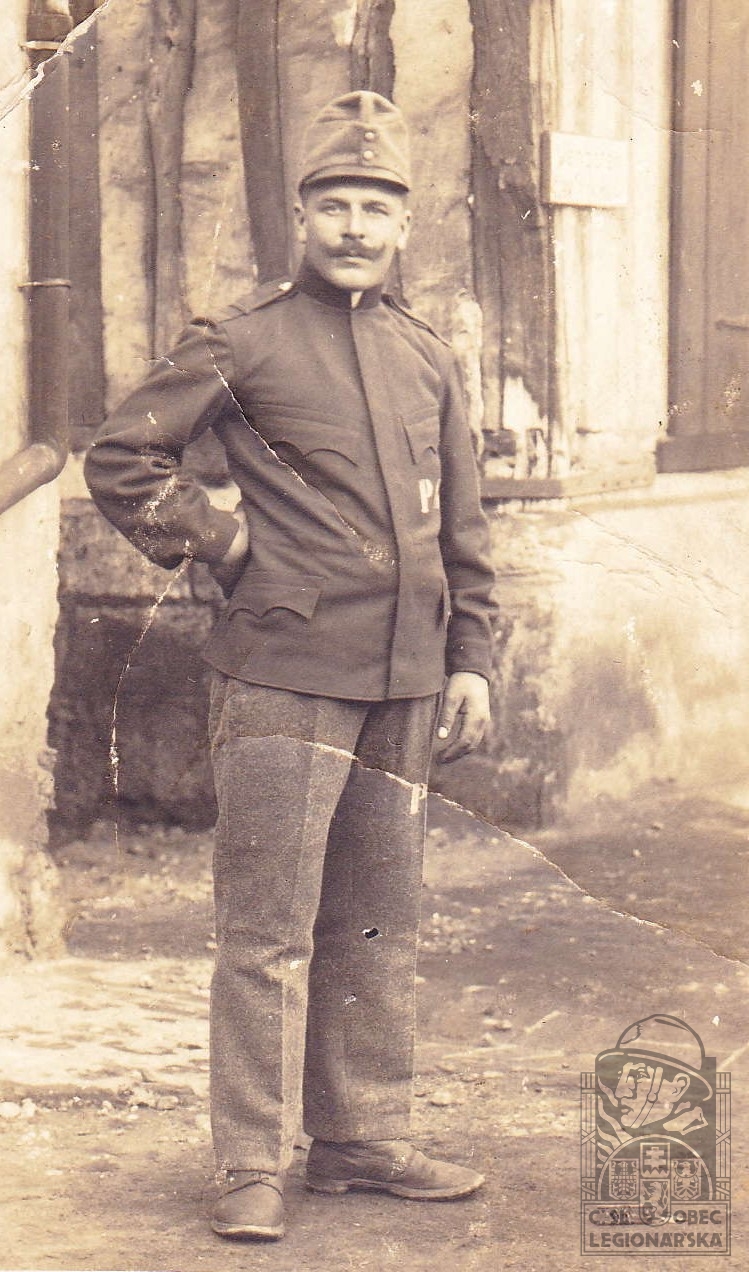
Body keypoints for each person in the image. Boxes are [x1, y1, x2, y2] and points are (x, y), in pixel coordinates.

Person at [85, 90, 498, 1242]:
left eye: (376, 207)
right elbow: (120, 458)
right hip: (282, 671)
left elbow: (462, 528)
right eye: (335, 205)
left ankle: (359, 1140)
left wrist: (471, 658)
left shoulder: (427, 357)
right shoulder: (243, 339)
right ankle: (250, 1164)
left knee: (376, 923)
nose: (355, 227)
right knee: (266, 928)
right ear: (302, 218)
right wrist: (222, 543)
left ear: (403, 225)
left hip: (404, 679)